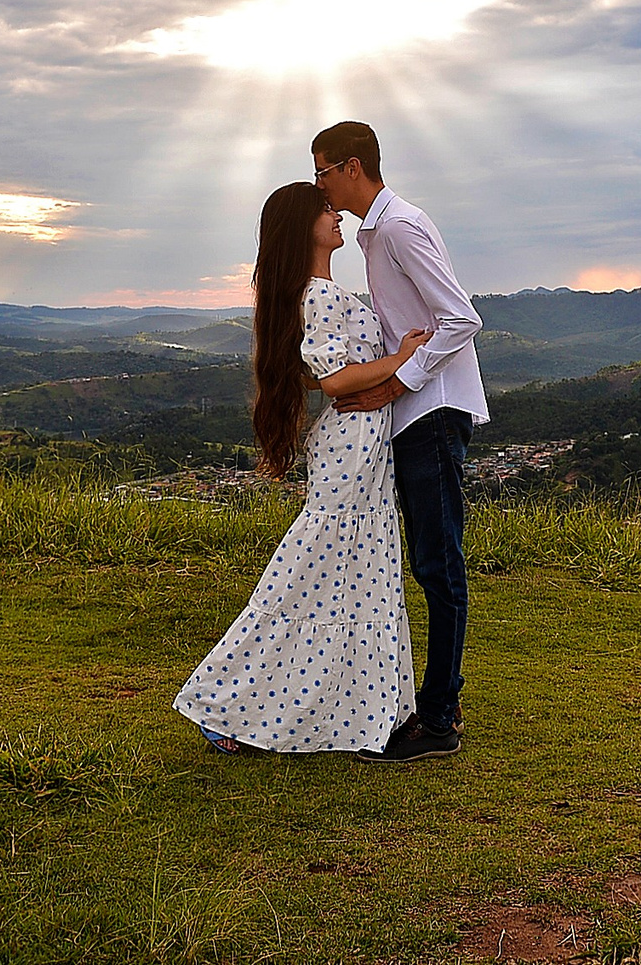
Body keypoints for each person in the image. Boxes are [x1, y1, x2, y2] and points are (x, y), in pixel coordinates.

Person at [173, 182, 431, 755]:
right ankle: (228, 699)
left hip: (364, 443)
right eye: (324, 210)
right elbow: (334, 378)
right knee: (311, 575)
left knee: (354, 578)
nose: (335, 213)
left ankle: (355, 709)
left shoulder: (321, 291)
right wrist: (401, 359)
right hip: (349, 444)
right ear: (301, 227)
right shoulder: (316, 296)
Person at [312, 119, 487, 765]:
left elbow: (461, 317)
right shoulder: (373, 232)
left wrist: (397, 383)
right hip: (418, 410)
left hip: (433, 410)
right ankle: (444, 700)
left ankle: (438, 718)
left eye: (322, 170)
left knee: (438, 564)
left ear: (352, 167)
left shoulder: (398, 225)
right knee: (430, 561)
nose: (319, 183)